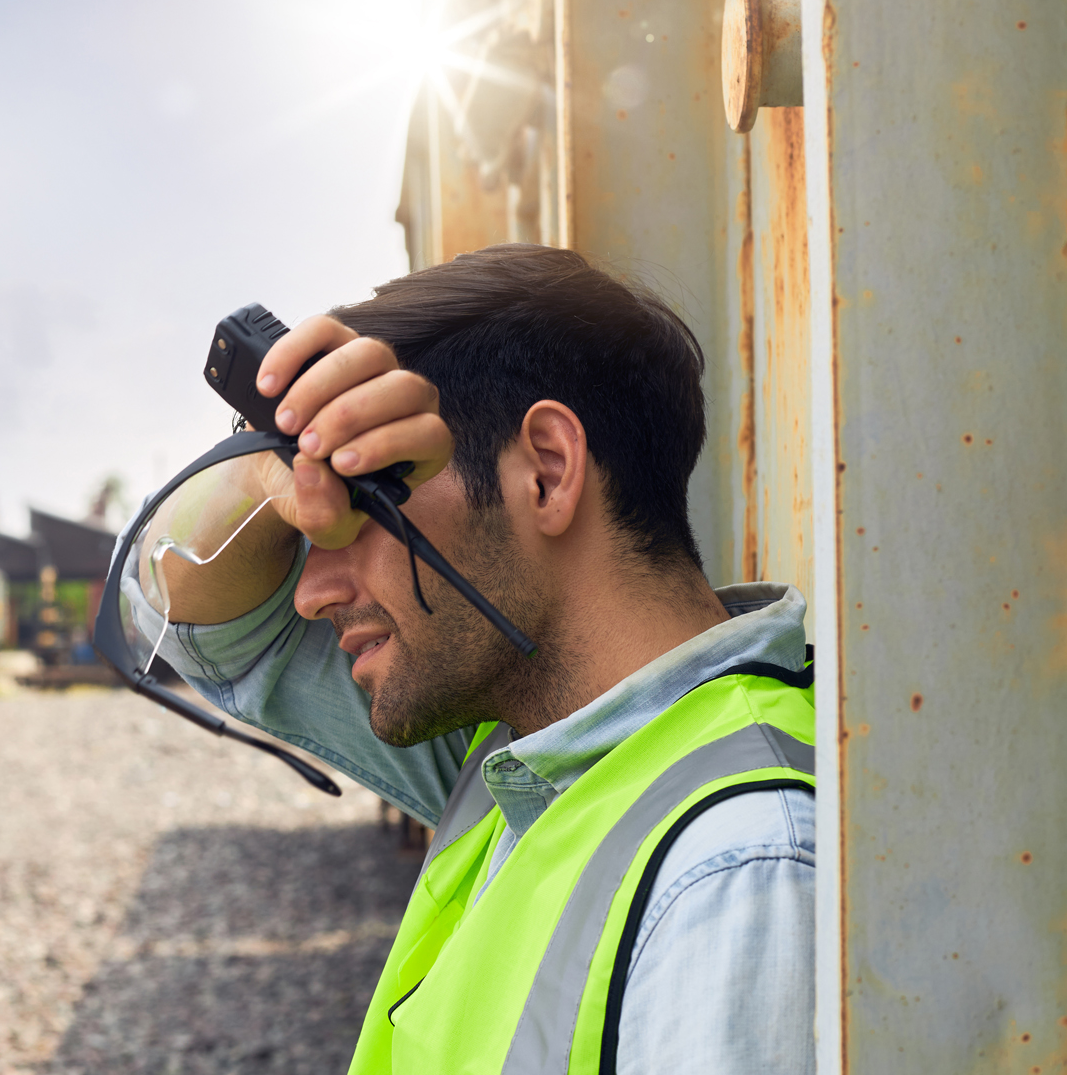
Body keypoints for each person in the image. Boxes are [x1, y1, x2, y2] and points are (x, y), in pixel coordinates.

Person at [127, 244, 815, 1073]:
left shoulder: (733, 868)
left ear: (546, 474)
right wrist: (268, 479)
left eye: (356, 507)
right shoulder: (519, 759)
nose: (311, 591)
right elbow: (199, 621)